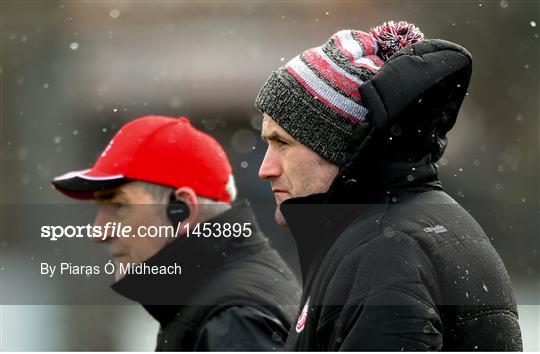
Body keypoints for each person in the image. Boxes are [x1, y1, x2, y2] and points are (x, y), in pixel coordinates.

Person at [255, 21, 522, 351]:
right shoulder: (422, 227)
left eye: (282, 142)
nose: (264, 170)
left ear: (335, 144)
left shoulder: (383, 252)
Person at [52, 115, 301, 351]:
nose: (98, 232)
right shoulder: (222, 305)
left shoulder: (233, 320)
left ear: (181, 209)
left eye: (118, 206)